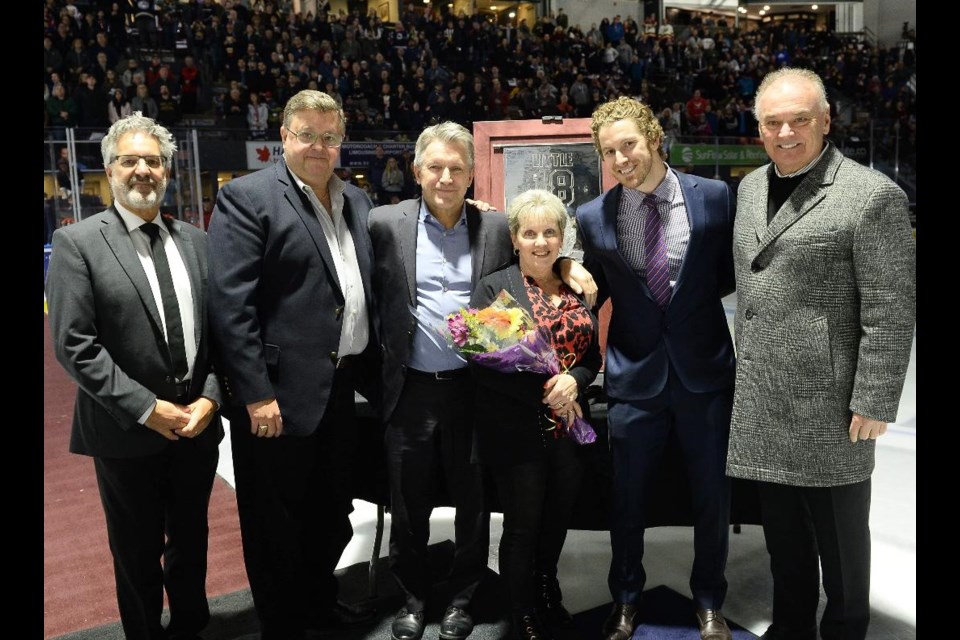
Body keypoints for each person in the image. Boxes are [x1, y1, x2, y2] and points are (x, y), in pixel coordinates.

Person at [368, 122, 595, 640]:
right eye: (436, 167)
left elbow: (536, 248)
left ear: (473, 175)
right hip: (410, 390)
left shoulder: (492, 227)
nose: (446, 177)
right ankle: (412, 596)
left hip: (473, 392)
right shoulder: (383, 222)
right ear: (417, 170)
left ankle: (463, 598)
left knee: (473, 505)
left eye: (457, 168)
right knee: (408, 505)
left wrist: (567, 262)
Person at [726, 68, 916, 640]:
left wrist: (876, 399)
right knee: (783, 543)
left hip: (832, 405)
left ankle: (846, 629)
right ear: (758, 128)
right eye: (773, 122)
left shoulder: (872, 195)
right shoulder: (751, 188)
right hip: (766, 398)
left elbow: (890, 308)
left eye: (800, 119)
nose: (786, 132)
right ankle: (789, 629)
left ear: (826, 121)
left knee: (841, 546)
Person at [207, 90, 380, 640]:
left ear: (341, 142)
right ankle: (283, 624)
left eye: (329, 137)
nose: (318, 147)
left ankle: (318, 602)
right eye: (306, 135)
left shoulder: (357, 201)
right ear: (283, 137)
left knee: (330, 513)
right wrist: (255, 392)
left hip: (341, 387)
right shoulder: (247, 197)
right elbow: (231, 307)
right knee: (274, 522)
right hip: (276, 396)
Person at [45, 111, 224, 640]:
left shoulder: (197, 239)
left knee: (192, 546)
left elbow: (221, 335)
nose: (142, 170)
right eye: (130, 160)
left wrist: (210, 398)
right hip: (125, 432)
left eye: (153, 161)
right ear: (110, 170)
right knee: (137, 554)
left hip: (195, 427)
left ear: (167, 170)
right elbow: (74, 345)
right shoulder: (78, 243)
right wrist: (149, 408)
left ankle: (193, 628)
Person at [576, 96, 737, 640]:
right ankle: (625, 597)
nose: (621, 159)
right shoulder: (592, 216)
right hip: (633, 377)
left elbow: (725, 277)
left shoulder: (714, 198)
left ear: (653, 138)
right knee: (627, 497)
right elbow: (589, 295)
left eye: (629, 145)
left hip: (705, 372)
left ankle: (710, 599)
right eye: (609, 152)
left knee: (711, 495)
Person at [469, 190, 601, 640]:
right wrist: (548, 393)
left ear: (562, 238)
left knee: (557, 519)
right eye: (530, 233)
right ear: (515, 238)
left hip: (569, 429)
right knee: (523, 526)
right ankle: (520, 606)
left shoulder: (577, 287)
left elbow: (592, 356)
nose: (541, 242)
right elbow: (483, 364)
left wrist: (576, 382)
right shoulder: (494, 287)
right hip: (518, 430)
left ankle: (548, 590)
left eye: (550, 233)